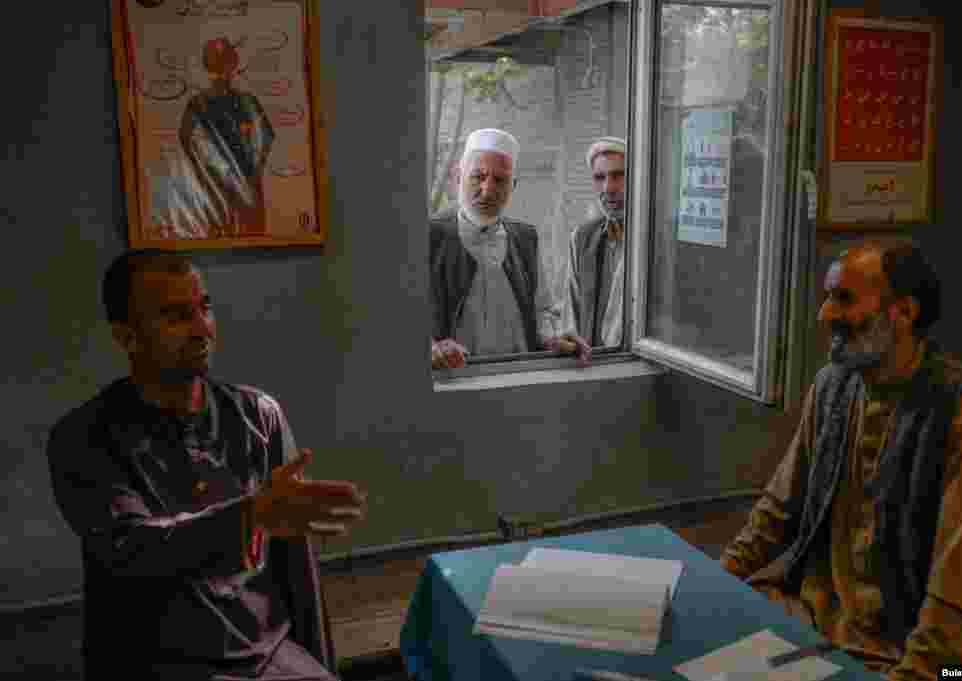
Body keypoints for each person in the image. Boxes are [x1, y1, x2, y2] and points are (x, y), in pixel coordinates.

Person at [46, 250, 368, 679]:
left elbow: (298, 572)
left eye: (205, 307)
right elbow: (132, 550)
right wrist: (250, 518)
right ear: (127, 336)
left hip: (267, 657)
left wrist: (319, 669)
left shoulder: (258, 417)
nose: (202, 328)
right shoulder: (85, 437)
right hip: (162, 666)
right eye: (176, 315)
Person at [719, 240, 962, 676]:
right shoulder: (832, 386)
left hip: (898, 655)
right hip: (806, 622)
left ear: (903, 313)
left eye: (843, 299)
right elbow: (778, 509)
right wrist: (714, 582)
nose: (825, 315)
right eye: (827, 298)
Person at [429, 128, 590, 369]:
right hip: (454, 379)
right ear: (457, 177)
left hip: (516, 376)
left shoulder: (526, 239)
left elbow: (541, 311)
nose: (488, 189)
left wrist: (554, 337)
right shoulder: (430, 237)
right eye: (478, 176)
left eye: (499, 180)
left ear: (513, 186)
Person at [179, 37, 276, 237]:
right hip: (222, 183)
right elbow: (187, 139)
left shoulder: (243, 101)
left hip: (236, 182)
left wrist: (253, 173)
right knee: (225, 235)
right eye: (220, 63)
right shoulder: (200, 103)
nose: (223, 71)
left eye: (223, 62)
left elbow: (266, 137)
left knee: (247, 235)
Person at [562, 136, 627, 352]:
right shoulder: (581, 238)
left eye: (619, 175)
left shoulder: (653, 239)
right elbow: (571, 312)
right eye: (600, 177)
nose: (609, 187)